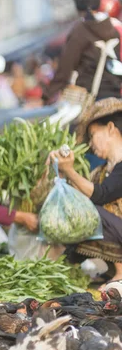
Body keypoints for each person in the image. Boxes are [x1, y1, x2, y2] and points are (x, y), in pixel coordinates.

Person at [50, 97, 122, 285]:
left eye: (93, 135)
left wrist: (70, 171)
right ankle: (109, 269)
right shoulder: (101, 171)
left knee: (90, 212)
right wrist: (61, 172)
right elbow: (82, 195)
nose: (91, 144)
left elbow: (100, 194)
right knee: (80, 210)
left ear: (110, 128)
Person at [45, 0, 122, 103]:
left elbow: (65, 68)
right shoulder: (114, 31)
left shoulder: (80, 30)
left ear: (77, 4)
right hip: (115, 98)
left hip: (91, 100)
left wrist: (46, 96)